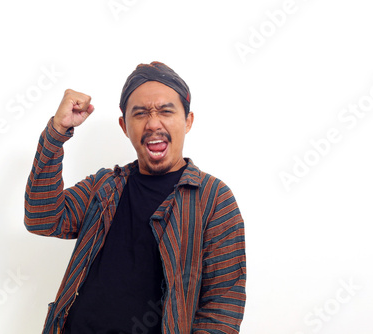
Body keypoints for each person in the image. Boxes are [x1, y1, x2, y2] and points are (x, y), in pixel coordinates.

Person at [24, 61, 246, 334]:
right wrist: (56, 133)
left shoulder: (213, 200)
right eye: (140, 114)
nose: (153, 123)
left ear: (187, 121)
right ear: (124, 126)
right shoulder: (105, 186)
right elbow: (41, 218)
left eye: (166, 111)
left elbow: (222, 307)